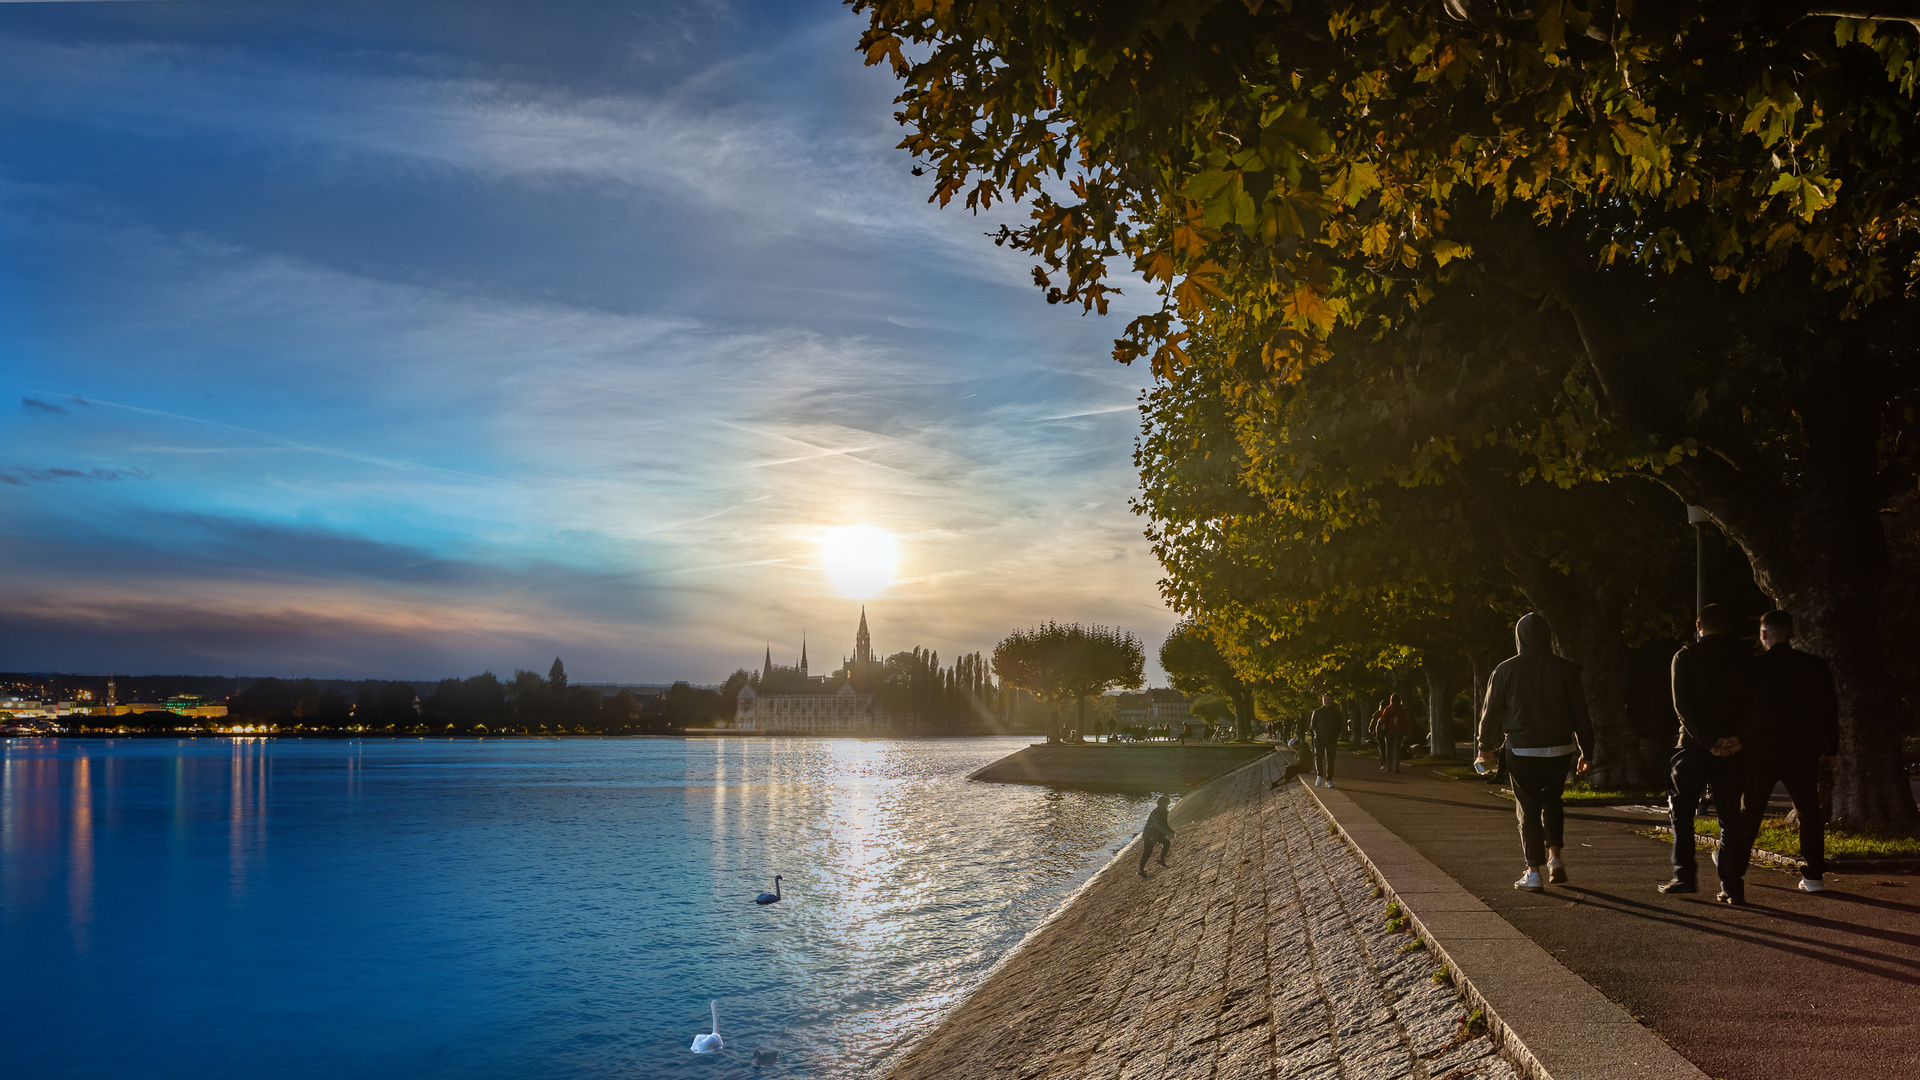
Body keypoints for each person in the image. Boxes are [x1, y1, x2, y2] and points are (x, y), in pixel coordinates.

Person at [1477, 613, 1594, 892]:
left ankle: (1533, 871)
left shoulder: (1505, 670)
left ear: (1518, 638)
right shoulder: (1565, 669)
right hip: (1560, 747)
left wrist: (1484, 746)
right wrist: (1586, 751)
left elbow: (1490, 712)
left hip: (1522, 747)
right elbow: (1580, 712)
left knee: (1527, 807)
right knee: (1552, 800)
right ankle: (1555, 858)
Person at [1664, 603, 1759, 904]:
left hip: (1693, 745)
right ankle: (1732, 884)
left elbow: (1682, 706)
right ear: (1729, 626)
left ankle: (1684, 875)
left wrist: (1706, 740)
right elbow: (1757, 705)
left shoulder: (1686, 656)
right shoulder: (1747, 657)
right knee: (1731, 816)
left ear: (1698, 624)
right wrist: (1738, 740)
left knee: (1681, 810)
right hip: (1733, 747)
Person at [1740, 609, 1839, 893]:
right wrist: (1830, 748)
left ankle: (1734, 864)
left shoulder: (1755, 667)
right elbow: (1829, 710)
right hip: (1803, 749)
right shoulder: (1814, 665)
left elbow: (1746, 711)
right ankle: (1813, 876)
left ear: (1763, 635)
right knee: (1809, 812)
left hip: (1762, 750)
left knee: (1751, 811)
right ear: (1791, 632)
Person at [1309, 692, 1343, 787]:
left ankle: (1329, 779)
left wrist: (1336, 734)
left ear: (1332, 701)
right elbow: (1313, 726)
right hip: (1319, 738)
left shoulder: (1336, 713)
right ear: (1322, 700)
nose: (1326, 701)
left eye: (1328, 699)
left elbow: (1340, 725)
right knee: (1319, 757)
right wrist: (1317, 733)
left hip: (1331, 739)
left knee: (1330, 759)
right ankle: (1319, 775)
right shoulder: (1317, 712)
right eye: (1325, 699)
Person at [1138, 794, 1174, 875]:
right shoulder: (1155, 813)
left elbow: (1166, 824)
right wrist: (1168, 833)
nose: (1165, 806)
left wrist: (1172, 831)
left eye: (1166, 805)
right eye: (1163, 805)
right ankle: (1140, 871)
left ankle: (1161, 860)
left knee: (1167, 843)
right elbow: (1158, 825)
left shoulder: (1165, 812)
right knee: (1147, 853)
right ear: (1159, 804)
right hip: (1149, 835)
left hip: (1158, 834)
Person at [1377, 695, 1411, 773]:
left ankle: (1388, 767)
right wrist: (1405, 731)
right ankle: (1396, 767)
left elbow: (1382, 720)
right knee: (1397, 750)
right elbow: (1405, 721)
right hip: (1399, 731)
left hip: (1389, 731)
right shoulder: (1402, 710)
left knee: (1388, 750)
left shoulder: (1388, 709)